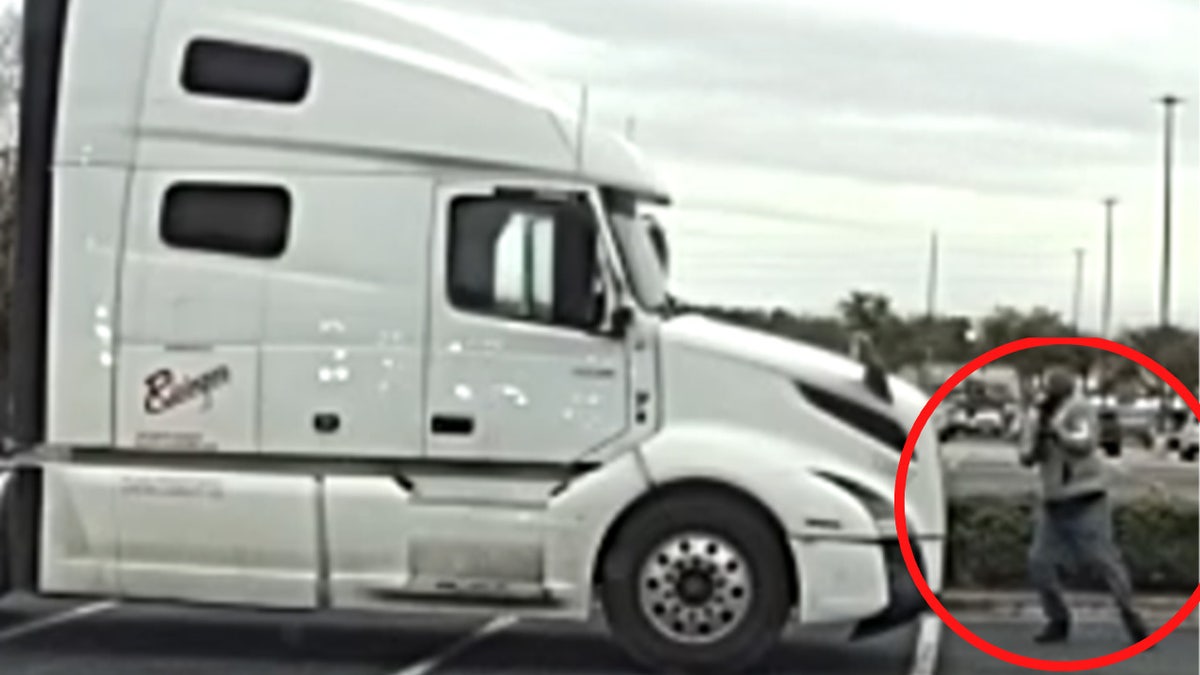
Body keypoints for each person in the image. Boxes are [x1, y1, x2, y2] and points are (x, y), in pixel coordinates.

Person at [1018, 366, 1149, 645]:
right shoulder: (1038, 414)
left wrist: (1057, 432)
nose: (1050, 394)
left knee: (1103, 561)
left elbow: (1085, 443)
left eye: (1056, 388)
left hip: (1086, 498)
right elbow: (1026, 456)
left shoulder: (1079, 410)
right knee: (1039, 563)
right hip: (1053, 501)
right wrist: (1036, 437)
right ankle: (1058, 619)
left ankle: (1131, 617)